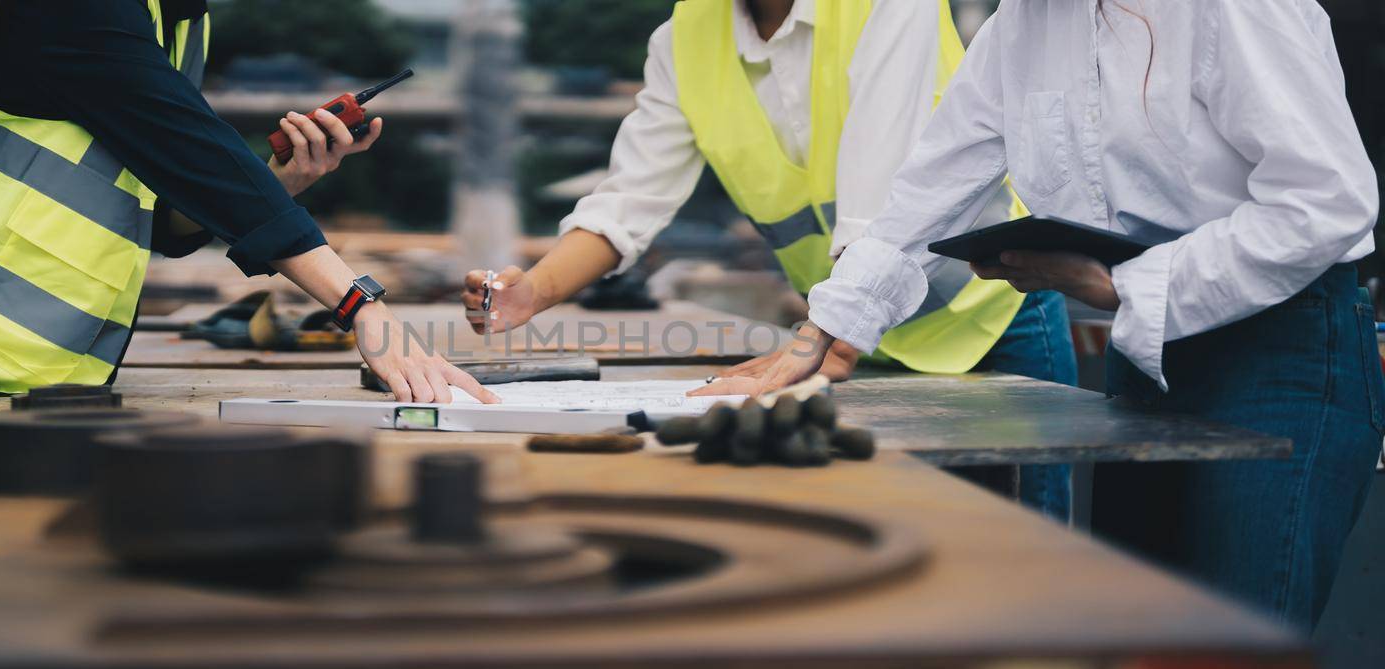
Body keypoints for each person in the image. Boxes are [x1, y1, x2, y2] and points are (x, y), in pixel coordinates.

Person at [711, 0, 1382, 630]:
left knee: (1231, 638)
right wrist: (828, 333)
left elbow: (1326, 202)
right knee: (1137, 633)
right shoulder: (1022, 23)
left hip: (1284, 348)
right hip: (1147, 351)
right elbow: (930, 187)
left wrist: (1124, 285)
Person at [461, 0, 1077, 517]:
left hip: (989, 319)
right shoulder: (685, 40)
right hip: (852, 345)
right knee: (903, 551)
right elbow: (630, 199)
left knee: (1025, 565)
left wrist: (824, 338)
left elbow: (878, 193)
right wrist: (533, 292)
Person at [0, 0, 498, 430]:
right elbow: (189, 148)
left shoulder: (174, 17)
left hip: (13, 368)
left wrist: (281, 180)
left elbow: (165, 216)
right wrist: (362, 306)